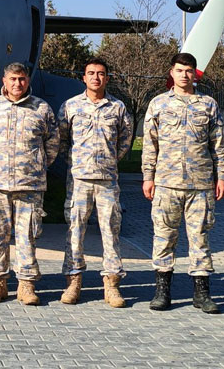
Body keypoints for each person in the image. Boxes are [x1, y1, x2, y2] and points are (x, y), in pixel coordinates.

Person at [141, 52, 224, 314]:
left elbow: (218, 144)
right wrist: (148, 177)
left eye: (189, 70)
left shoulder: (208, 105)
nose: (184, 75)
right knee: (163, 237)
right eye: (180, 70)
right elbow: (150, 144)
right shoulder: (158, 104)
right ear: (172, 72)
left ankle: (202, 294)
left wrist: (221, 175)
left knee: (200, 238)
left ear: (195, 73)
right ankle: (161, 291)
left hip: (200, 185)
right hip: (166, 183)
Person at [0, 62, 59, 305]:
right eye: (13, 79)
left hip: (30, 186)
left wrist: (34, 165)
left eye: (22, 79)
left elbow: (52, 144)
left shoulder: (41, 109)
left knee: (27, 236)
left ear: (27, 80)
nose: (17, 84)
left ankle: (26, 285)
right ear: (4, 80)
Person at [58, 57, 134, 307]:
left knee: (111, 232)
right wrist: (77, 160)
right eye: (91, 73)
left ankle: (111, 284)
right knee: (75, 232)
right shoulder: (70, 106)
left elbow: (125, 141)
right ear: (84, 77)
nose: (96, 78)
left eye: (101, 74)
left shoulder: (118, 108)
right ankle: (73, 282)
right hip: (79, 179)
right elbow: (61, 140)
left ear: (107, 78)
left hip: (107, 181)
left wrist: (109, 160)